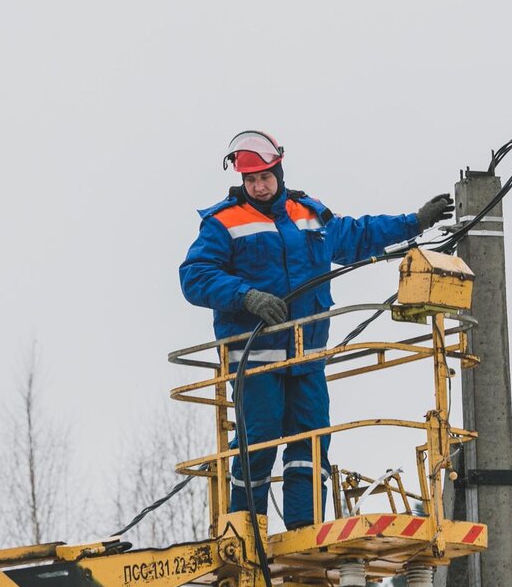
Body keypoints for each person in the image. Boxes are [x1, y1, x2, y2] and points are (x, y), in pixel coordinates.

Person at [179, 130, 453, 529]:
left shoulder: (307, 213)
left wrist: (414, 223)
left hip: (307, 356)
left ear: (279, 171)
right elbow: (195, 275)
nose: (257, 186)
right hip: (255, 359)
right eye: (250, 180)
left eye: (264, 178)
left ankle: (304, 532)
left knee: (310, 445)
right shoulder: (224, 223)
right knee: (258, 443)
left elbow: (358, 235)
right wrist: (245, 296)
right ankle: (244, 533)